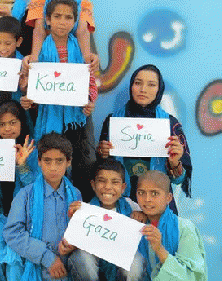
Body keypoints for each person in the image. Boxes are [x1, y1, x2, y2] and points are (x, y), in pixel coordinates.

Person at [22, 0, 98, 201]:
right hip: (50, 117)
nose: (62, 21)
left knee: (81, 164)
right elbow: (34, 85)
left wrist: (90, 100)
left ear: (75, 22)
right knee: (52, 161)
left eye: (68, 17)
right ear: (47, 19)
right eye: (57, 16)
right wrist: (29, 99)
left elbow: (89, 79)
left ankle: (75, 204)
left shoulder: (81, 50)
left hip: (76, 120)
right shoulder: (40, 52)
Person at [97, 64, 192, 211]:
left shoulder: (170, 125)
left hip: (158, 207)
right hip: (120, 205)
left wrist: (174, 163)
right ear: (131, 87)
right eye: (138, 83)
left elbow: (179, 179)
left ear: (159, 90)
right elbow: (104, 171)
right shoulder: (113, 122)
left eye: (151, 84)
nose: (143, 89)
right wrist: (103, 155)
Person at [3, 132, 81, 280]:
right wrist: (48, 258)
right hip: (37, 267)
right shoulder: (26, 195)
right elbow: (12, 233)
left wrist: (74, 244)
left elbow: (82, 232)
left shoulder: (75, 195)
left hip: (68, 268)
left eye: (59, 161)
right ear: (39, 161)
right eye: (47, 161)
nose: (53, 168)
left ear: (68, 162)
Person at [67, 159, 146, 281]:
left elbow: (151, 214)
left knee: (136, 262)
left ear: (123, 187)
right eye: (102, 181)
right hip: (96, 263)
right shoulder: (86, 209)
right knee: (81, 257)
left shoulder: (130, 206)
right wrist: (76, 217)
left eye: (115, 182)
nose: (108, 187)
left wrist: (143, 214)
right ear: (93, 185)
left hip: (120, 265)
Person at [0, 100, 37, 281]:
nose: (7, 128)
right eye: (2, 124)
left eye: (13, 122)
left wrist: (22, 166)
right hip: (2, 215)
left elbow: (35, 189)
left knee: (14, 257)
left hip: (24, 220)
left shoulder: (31, 149)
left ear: (22, 123)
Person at [137, 170, 207, 280]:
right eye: (141, 193)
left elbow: (192, 276)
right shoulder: (136, 225)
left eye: (154, 193)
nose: (147, 199)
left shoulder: (184, 228)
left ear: (168, 198)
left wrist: (159, 249)